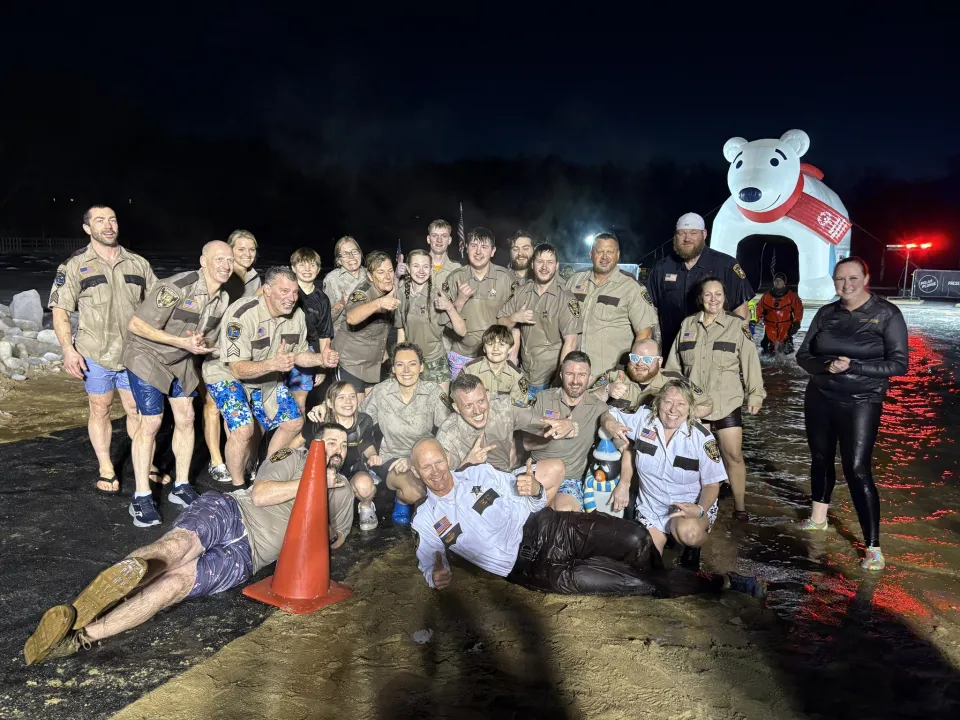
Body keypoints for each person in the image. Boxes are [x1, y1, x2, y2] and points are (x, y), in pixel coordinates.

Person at [23, 423, 353, 666]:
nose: (337, 448)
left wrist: (324, 526)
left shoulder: (344, 491)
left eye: (343, 445)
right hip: (231, 512)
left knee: (173, 586)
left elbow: (337, 539)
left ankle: (80, 637)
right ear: (315, 445)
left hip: (245, 557)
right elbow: (260, 494)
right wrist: (311, 483)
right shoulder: (293, 458)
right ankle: (81, 607)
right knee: (174, 550)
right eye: (330, 440)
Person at [410, 438, 765, 598]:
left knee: (637, 538)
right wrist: (435, 574)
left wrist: (534, 488)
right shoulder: (426, 518)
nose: (436, 471)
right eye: (426, 467)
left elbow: (531, 496)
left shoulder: (480, 474)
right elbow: (429, 558)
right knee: (631, 583)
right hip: (534, 569)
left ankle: (669, 582)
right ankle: (722, 584)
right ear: (417, 471)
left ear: (448, 458)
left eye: (439, 461)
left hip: (551, 527)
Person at [795, 257, 909, 571]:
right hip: (820, 395)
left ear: (866, 277)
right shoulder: (826, 313)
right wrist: (825, 367)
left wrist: (855, 366)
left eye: (853, 278)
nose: (846, 285)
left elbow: (899, 364)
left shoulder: (887, 314)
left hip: (862, 399)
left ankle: (873, 546)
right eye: (840, 279)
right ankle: (818, 520)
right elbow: (803, 355)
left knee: (857, 468)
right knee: (820, 457)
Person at [48, 205, 160, 494]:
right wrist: (68, 349)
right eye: (100, 221)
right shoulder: (74, 265)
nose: (108, 226)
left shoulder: (138, 263)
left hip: (134, 353)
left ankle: (144, 463)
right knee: (100, 408)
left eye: (112, 219)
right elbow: (60, 310)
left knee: (137, 409)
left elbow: (159, 306)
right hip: (95, 352)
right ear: (87, 228)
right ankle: (106, 466)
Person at [122, 241, 234, 527]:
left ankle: (181, 486)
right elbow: (136, 325)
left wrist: (206, 346)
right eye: (219, 259)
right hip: (147, 355)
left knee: (186, 417)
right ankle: (141, 497)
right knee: (152, 422)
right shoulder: (177, 287)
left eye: (229, 260)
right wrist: (180, 342)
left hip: (180, 360)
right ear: (203, 261)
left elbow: (205, 339)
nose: (225, 265)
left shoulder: (222, 300)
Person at [203, 266, 338, 487]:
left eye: (295, 292)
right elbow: (236, 368)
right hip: (226, 374)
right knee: (244, 429)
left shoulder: (297, 316)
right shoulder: (241, 314)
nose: (291, 298)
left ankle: (264, 472)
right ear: (266, 290)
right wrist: (273, 364)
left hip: (265, 375)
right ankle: (238, 488)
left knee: (294, 422)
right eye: (284, 291)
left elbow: (300, 354)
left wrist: (321, 360)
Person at [665, 277, 765, 521]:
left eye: (718, 294)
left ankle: (740, 508)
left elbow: (750, 362)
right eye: (708, 294)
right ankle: (702, 508)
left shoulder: (737, 326)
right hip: (695, 406)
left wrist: (756, 394)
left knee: (733, 455)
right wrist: (667, 398)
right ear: (701, 297)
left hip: (726, 403)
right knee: (698, 459)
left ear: (724, 297)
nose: (713, 299)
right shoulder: (687, 325)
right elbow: (673, 367)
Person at [601, 380, 726, 556]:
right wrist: (610, 424)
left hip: (689, 505)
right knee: (642, 561)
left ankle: (694, 549)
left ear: (690, 408)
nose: (673, 410)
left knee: (690, 534)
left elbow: (712, 485)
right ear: (658, 402)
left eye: (681, 404)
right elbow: (608, 413)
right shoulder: (642, 418)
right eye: (668, 402)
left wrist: (699, 510)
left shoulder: (703, 438)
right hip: (651, 507)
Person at [357, 342, 451, 525]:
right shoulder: (381, 391)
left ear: (421, 367)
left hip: (424, 457)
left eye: (413, 364)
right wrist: (328, 408)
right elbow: (359, 422)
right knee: (416, 491)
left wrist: (418, 460)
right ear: (393, 368)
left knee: (447, 484)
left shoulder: (432, 392)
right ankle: (411, 505)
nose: (406, 370)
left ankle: (404, 501)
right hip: (392, 457)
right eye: (400, 364)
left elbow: (449, 427)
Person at [647, 212, 755, 358]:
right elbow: (651, 313)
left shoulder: (726, 266)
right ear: (675, 236)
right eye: (682, 233)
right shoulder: (661, 268)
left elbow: (741, 314)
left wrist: (736, 351)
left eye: (693, 233)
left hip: (714, 355)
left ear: (704, 234)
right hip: (672, 353)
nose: (687, 239)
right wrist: (655, 350)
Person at [202, 228, 262, 483]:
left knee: (236, 406)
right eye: (241, 249)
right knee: (212, 404)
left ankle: (236, 457)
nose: (247, 254)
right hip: (213, 348)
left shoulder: (256, 279)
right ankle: (216, 459)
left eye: (252, 249)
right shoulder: (222, 275)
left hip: (241, 351)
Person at [436, 373, 573, 481]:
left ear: (488, 397)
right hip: (473, 489)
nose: (477, 410)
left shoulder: (503, 406)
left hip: (506, 477)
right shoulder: (447, 434)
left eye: (481, 401)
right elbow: (442, 486)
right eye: (468, 405)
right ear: (456, 408)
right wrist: (467, 464)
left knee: (556, 468)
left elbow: (542, 421)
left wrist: (565, 425)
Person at [520, 351, 610, 512]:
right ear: (561, 375)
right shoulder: (542, 399)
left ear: (590, 377)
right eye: (570, 373)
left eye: (581, 374)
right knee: (517, 513)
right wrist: (553, 433)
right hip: (540, 472)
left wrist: (623, 484)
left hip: (570, 479)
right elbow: (526, 444)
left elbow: (622, 445)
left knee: (567, 514)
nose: (575, 381)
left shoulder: (599, 408)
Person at [565, 232, 658, 384]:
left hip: (609, 378)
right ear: (591, 254)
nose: (604, 257)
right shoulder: (575, 280)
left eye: (610, 252)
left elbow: (645, 335)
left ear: (617, 255)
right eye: (600, 251)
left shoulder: (631, 288)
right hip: (575, 375)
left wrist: (627, 374)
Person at [498, 242, 581, 399]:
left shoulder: (566, 298)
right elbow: (500, 324)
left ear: (556, 266)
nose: (544, 267)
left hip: (549, 380)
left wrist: (559, 380)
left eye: (549, 262)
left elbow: (571, 342)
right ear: (532, 264)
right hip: (523, 375)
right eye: (540, 261)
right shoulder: (522, 292)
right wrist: (515, 317)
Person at [304, 381, 380, 531]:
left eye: (352, 396)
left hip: (354, 471)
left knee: (365, 486)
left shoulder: (364, 420)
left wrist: (373, 456)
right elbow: (298, 442)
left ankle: (366, 506)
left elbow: (367, 444)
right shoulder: (320, 421)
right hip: (326, 472)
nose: (348, 402)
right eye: (341, 398)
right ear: (329, 403)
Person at [444, 227, 517, 379]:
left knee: (492, 401)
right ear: (466, 247)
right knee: (462, 400)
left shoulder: (506, 278)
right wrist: (459, 300)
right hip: (461, 356)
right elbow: (444, 321)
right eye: (473, 246)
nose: (478, 252)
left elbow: (516, 322)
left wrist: (512, 356)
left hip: (495, 357)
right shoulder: (454, 278)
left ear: (493, 251)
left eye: (484, 247)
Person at [332, 251, 399, 402]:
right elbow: (351, 317)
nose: (388, 277)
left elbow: (382, 326)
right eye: (381, 272)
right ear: (369, 276)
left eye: (390, 271)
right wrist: (379, 303)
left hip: (372, 365)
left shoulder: (391, 290)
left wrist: (384, 352)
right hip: (350, 363)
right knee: (354, 412)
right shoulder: (362, 293)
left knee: (371, 412)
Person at [397, 248, 466, 392]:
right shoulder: (402, 294)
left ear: (431, 270)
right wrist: (399, 360)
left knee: (440, 410)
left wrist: (449, 308)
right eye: (416, 266)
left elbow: (462, 331)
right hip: (411, 362)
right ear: (408, 269)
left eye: (425, 266)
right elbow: (401, 331)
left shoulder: (437, 296)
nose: (421, 271)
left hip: (436, 362)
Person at [591, 338, 713, 417]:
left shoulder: (674, 381)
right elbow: (587, 400)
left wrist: (679, 414)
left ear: (659, 362)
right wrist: (607, 389)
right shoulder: (614, 375)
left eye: (647, 359)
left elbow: (707, 404)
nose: (639, 364)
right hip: (617, 438)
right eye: (635, 358)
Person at [287, 247, 336, 411]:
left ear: (319, 269)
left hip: (307, 355)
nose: (307, 269)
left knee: (299, 403)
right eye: (302, 265)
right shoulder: (285, 293)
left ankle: (297, 434)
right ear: (293, 268)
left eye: (312, 265)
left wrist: (322, 366)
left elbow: (325, 335)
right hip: (280, 351)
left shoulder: (322, 299)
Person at [461, 324, 530, 407]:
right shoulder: (469, 370)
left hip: (505, 415)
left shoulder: (517, 376)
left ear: (510, 349)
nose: (495, 349)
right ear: (484, 348)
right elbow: (461, 401)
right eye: (490, 344)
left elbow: (519, 407)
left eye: (501, 344)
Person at [323, 236, 369, 334]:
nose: (351, 256)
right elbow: (325, 320)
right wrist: (341, 303)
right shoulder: (332, 280)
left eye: (354, 251)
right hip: (343, 340)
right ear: (339, 260)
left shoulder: (371, 275)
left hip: (371, 338)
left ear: (360, 254)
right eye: (345, 254)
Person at [758, 273, 803, 355]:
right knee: (767, 351)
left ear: (784, 282)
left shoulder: (791, 296)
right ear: (773, 282)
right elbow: (759, 310)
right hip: (770, 328)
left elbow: (798, 310)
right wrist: (753, 322)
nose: (778, 282)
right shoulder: (766, 296)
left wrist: (796, 323)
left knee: (787, 351)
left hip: (786, 328)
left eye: (780, 280)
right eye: (776, 280)